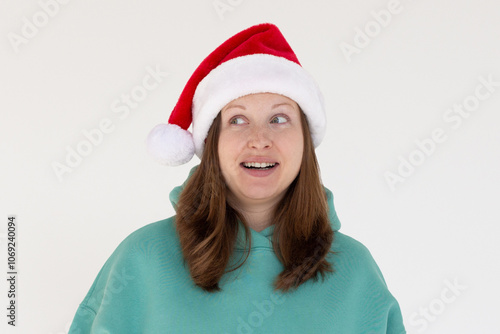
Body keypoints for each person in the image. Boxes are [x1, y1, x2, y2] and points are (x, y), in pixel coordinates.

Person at [68, 23, 406, 333]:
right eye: (238, 120)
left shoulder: (355, 272)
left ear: (305, 140)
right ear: (211, 142)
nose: (259, 139)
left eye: (279, 118)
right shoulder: (142, 259)